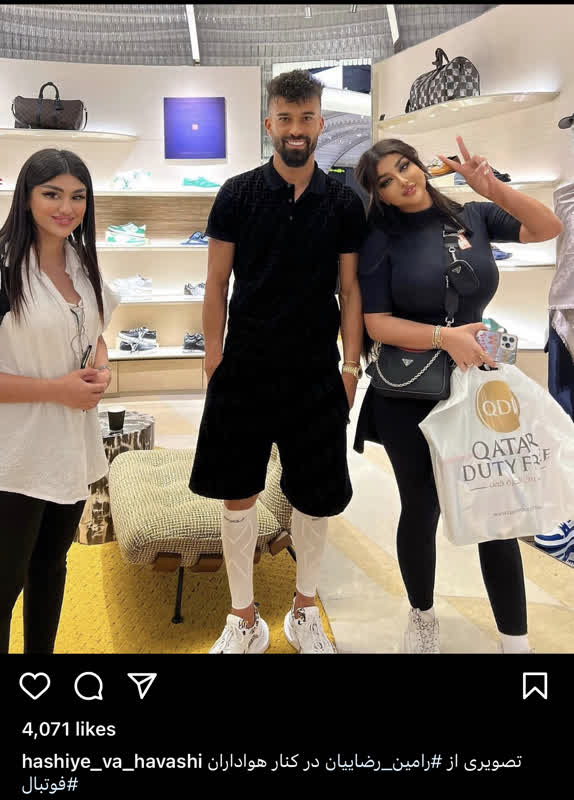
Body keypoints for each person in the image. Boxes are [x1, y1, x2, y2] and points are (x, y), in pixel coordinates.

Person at [353, 136, 562, 654]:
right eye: (387, 180)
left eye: (405, 166)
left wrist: (490, 187)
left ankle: (515, 642)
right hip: (411, 390)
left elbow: (548, 228)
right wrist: (444, 337)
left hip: (479, 383)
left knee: (496, 507)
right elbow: (376, 323)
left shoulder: (473, 215)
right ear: (380, 194)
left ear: (420, 165)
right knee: (421, 506)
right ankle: (422, 617)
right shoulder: (380, 237)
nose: (403, 181)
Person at [190, 69, 367, 654]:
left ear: (320, 123)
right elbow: (215, 283)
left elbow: (350, 290)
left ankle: (304, 609)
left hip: (316, 372)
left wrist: (350, 366)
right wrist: (214, 358)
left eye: (306, 117)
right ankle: (243, 618)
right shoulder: (237, 194)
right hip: (244, 367)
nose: (296, 128)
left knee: (317, 496)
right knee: (236, 493)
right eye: (285, 118)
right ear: (269, 123)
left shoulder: (343, 202)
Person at [0, 148, 119, 654]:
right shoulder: (5, 270)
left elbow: (95, 334)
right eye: (52, 194)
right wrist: (58, 390)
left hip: (70, 447)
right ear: (27, 198)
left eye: (77, 196)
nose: (66, 208)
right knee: (5, 582)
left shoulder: (81, 264)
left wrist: (102, 368)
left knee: (50, 566)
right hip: (15, 455)